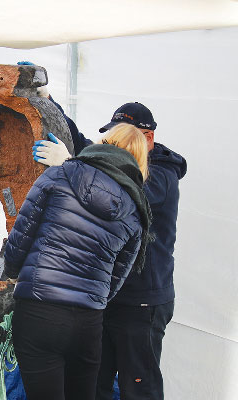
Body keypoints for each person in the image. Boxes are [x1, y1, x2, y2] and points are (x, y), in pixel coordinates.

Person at [34, 101, 187, 400]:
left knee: (139, 388)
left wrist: (69, 166)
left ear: (148, 139)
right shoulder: (119, 162)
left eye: (120, 140)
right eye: (110, 139)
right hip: (108, 296)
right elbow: (85, 145)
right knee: (94, 382)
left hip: (142, 303)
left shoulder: (160, 178)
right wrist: (47, 99)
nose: (112, 148)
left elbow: (114, 195)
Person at [5, 123, 152, 400]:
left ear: (105, 142)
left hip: (40, 309)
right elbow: (117, 279)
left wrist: (12, 272)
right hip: (88, 321)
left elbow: (21, 236)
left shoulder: (60, 173)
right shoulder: (136, 210)